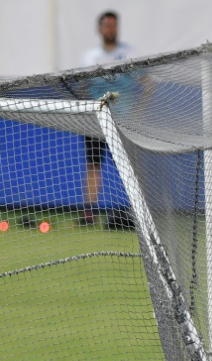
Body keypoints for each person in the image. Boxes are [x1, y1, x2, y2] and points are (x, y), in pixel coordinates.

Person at [80, 11, 136, 227]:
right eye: (106, 25)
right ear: (99, 29)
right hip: (96, 121)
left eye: (113, 26)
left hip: (123, 119)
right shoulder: (89, 58)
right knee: (93, 165)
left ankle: (137, 211)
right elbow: (82, 87)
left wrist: (137, 112)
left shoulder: (129, 54)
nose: (110, 30)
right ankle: (89, 213)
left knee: (130, 167)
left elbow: (147, 83)